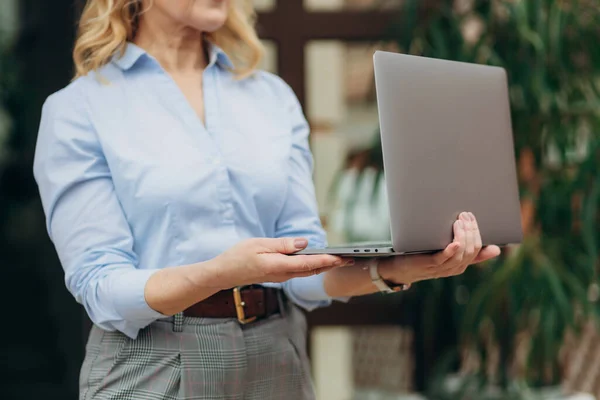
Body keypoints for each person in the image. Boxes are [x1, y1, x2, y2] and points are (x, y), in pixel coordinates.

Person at [33, 0, 502, 399]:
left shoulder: (270, 97)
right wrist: (219, 273)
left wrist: (395, 270)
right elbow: (101, 287)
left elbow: (300, 270)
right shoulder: (79, 110)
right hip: (154, 365)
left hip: (276, 358)